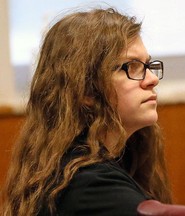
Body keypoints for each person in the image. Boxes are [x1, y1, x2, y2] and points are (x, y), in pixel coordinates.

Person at [0, 7, 172, 216]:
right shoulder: (88, 185)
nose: (152, 79)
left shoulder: (116, 159)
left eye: (147, 65)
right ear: (86, 90)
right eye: (131, 66)